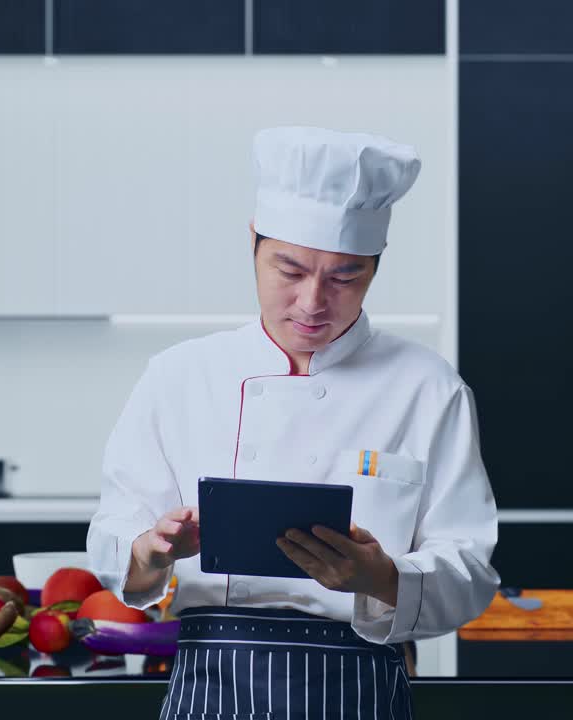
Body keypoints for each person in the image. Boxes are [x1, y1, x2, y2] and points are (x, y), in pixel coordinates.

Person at [89, 126, 500, 719]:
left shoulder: (429, 389)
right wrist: (148, 551)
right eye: (290, 270)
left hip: (357, 691)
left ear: (376, 268)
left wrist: (384, 576)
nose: (312, 302)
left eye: (344, 277)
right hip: (211, 687)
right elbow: (112, 534)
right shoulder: (178, 376)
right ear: (253, 243)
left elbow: (470, 571)